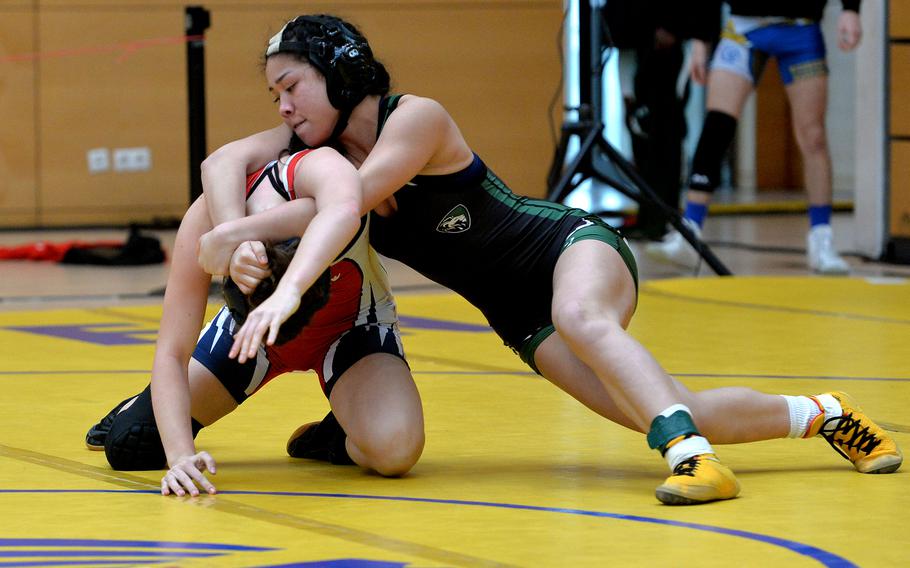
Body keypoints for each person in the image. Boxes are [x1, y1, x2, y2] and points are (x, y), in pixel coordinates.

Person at [197, 14, 900, 505]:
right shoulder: (322, 158)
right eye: (275, 95)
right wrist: (234, 229)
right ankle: (824, 413)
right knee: (665, 409)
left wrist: (235, 236)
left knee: (585, 317)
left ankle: (693, 464)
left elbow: (343, 206)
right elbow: (223, 158)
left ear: (340, 72)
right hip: (516, 316)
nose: (283, 106)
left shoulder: (416, 118)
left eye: (292, 86)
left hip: (567, 246)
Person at [86, 147, 424, 497]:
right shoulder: (208, 218)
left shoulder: (331, 190)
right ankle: (141, 402)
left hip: (351, 326)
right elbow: (172, 349)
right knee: (131, 444)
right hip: (246, 338)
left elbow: (347, 195)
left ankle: (336, 434)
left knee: (395, 451)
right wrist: (181, 458)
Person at [646, 0, 862, 273]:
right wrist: (701, 41)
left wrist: (851, 9)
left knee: (813, 136)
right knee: (717, 125)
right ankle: (690, 232)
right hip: (743, 28)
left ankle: (822, 238)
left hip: (800, 29)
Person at [605, 0, 719, 240]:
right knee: (638, 129)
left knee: (667, 133)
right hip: (631, 40)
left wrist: (677, 29)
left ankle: (665, 215)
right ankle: (647, 214)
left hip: (670, 45)